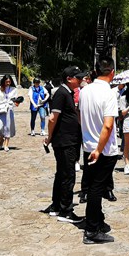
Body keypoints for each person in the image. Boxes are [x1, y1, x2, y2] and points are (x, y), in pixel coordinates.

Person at [79, 56, 121, 244]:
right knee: (97, 188)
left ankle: (97, 219)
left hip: (89, 145)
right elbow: (108, 125)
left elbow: (81, 117)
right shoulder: (109, 93)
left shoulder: (85, 91)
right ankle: (92, 230)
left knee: (94, 186)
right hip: (103, 149)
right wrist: (100, 148)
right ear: (112, 72)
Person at [42, 66, 87, 224]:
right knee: (68, 175)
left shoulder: (67, 92)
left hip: (68, 140)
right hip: (65, 141)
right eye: (78, 78)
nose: (80, 80)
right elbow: (52, 118)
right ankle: (66, 210)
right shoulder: (61, 93)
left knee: (61, 174)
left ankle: (56, 206)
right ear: (69, 79)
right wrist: (49, 136)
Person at [0, 75, 20, 151]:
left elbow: (15, 100)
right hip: (1, 109)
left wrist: (16, 102)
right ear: (4, 81)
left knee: (8, 127)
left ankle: (6, 144)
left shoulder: (14, 89)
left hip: (9, 109)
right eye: (6, 81)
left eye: (9, 81)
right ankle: (1, 140)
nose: (8, 83)